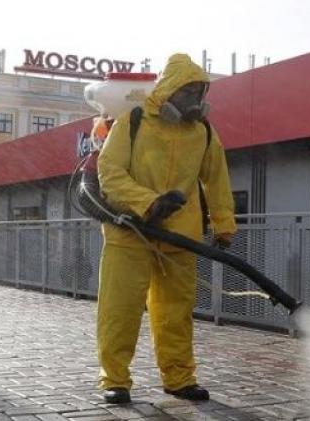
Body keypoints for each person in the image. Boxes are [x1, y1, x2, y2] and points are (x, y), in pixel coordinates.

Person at [96, 53, 237, 404]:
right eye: (188, 93)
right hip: (129, 233)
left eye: (199, 94)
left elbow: (216, 179)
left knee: (176, 313)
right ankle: (115, 379)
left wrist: (224, 225)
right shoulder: (135, 121)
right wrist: (149, 203)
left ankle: (178, 379)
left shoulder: (202, 131)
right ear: (168, 91)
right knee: (120, 310)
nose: (195, 102)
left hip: (179, 237)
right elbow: (109, 173)